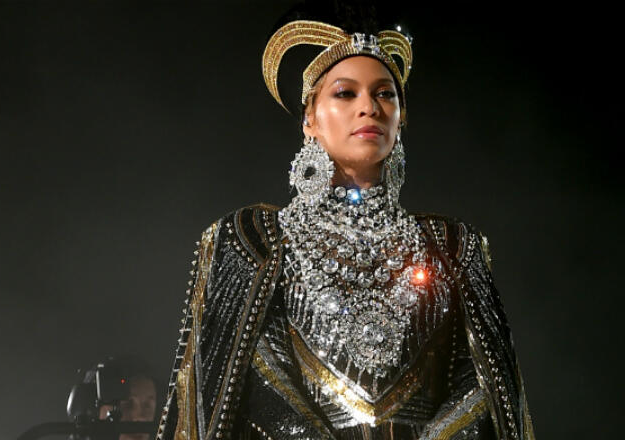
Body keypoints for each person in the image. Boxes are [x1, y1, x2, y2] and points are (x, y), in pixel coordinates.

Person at [156, 1, 535, 439]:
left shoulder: (453, 246)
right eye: (345, 93)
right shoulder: (251, 241)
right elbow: (250, 382)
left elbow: (484, 388)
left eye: (385, 93)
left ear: (400, 117)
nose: (369, 107)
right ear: (310, 119)